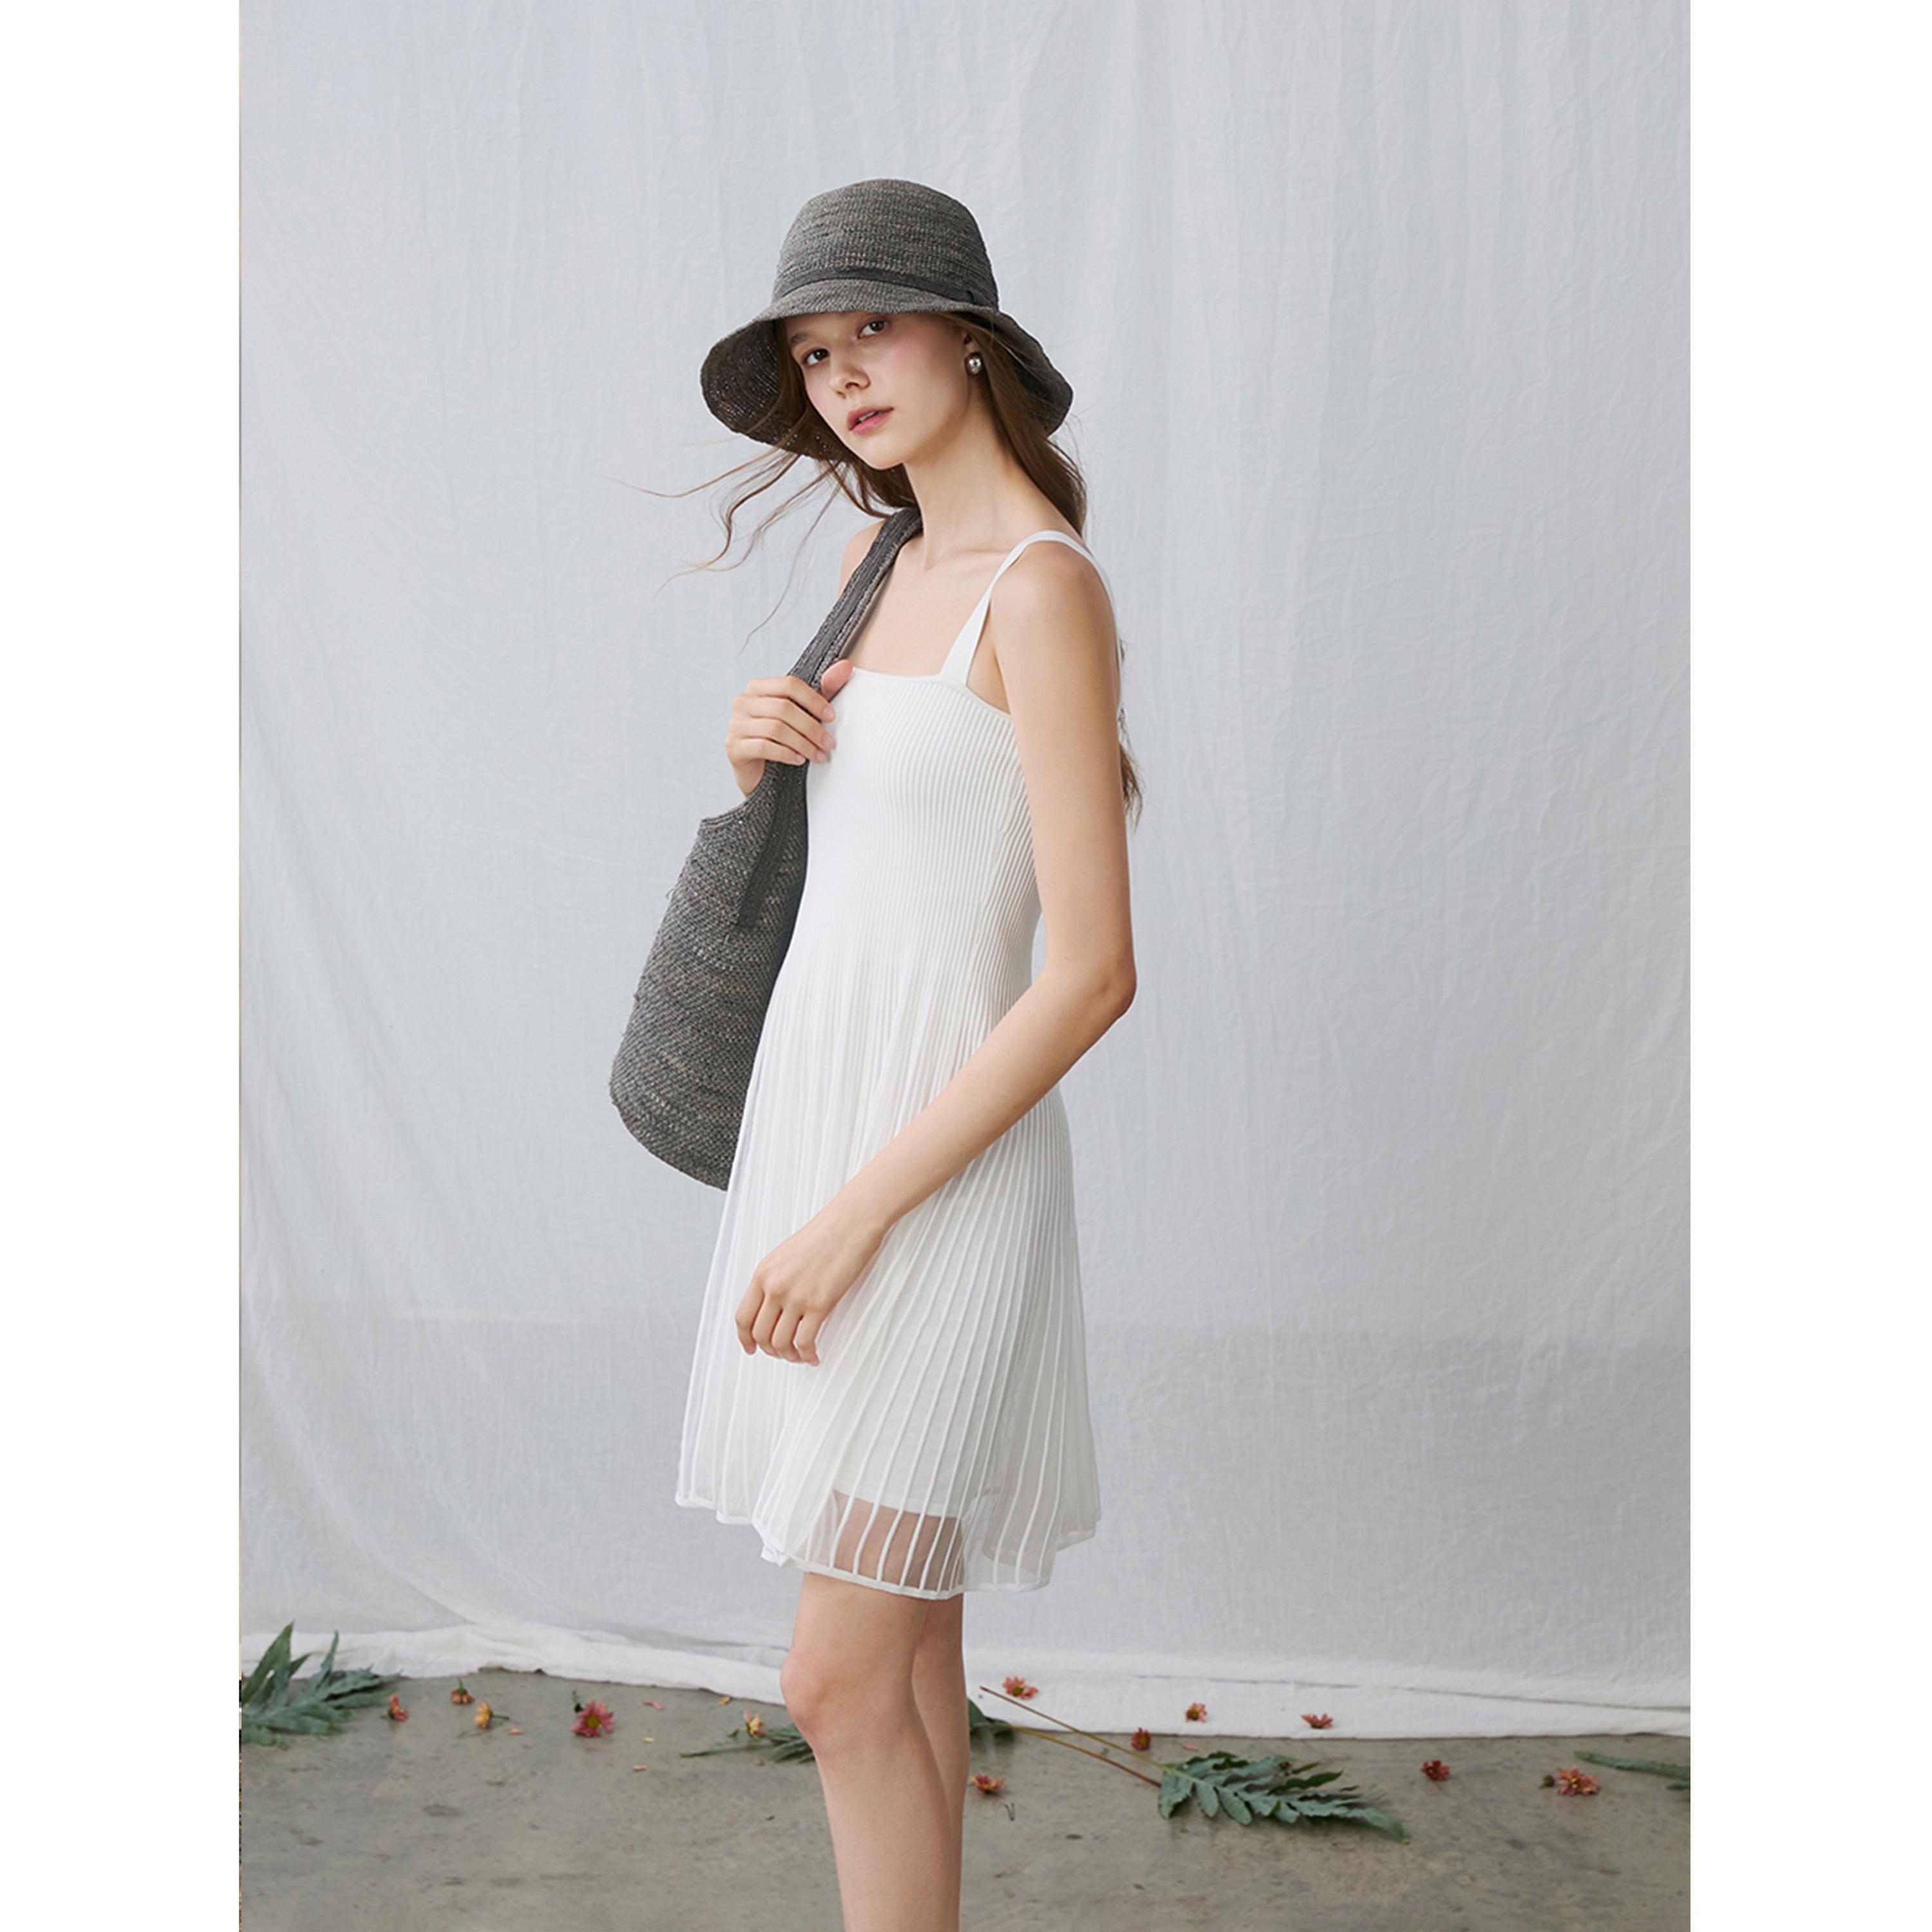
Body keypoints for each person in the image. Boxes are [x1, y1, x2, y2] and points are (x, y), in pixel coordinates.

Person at [673, 178, 1141, 1932]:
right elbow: (874, 879)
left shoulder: (1041, 589)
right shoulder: (881, 578)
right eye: (815, 352)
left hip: (930, 1184)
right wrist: (759, 761)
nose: (844, 373)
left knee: (837, 1679)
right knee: (915, 1660)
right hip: (833, 1146)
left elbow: (1092, 976)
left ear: (973, 340)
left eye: (873, 326)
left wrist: (857, 1217)